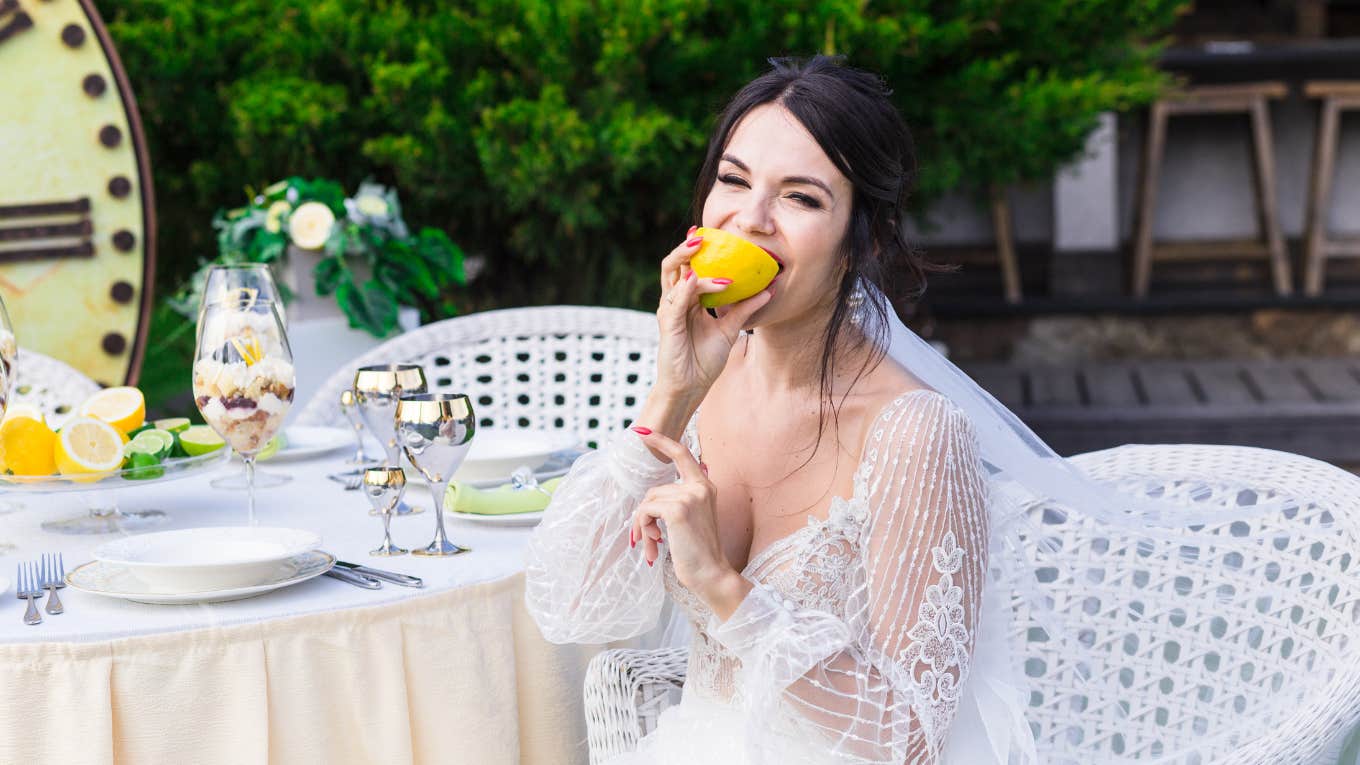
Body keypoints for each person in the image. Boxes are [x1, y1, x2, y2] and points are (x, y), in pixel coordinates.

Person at [524, 55, 1034, 764]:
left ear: (867, 240)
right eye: (732, 181)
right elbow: (571, 605)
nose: (751, 219)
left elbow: (909, 740)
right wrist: (672, 395)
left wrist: (722, 587)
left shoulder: (915, 431)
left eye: (801, 198)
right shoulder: (702, 381)